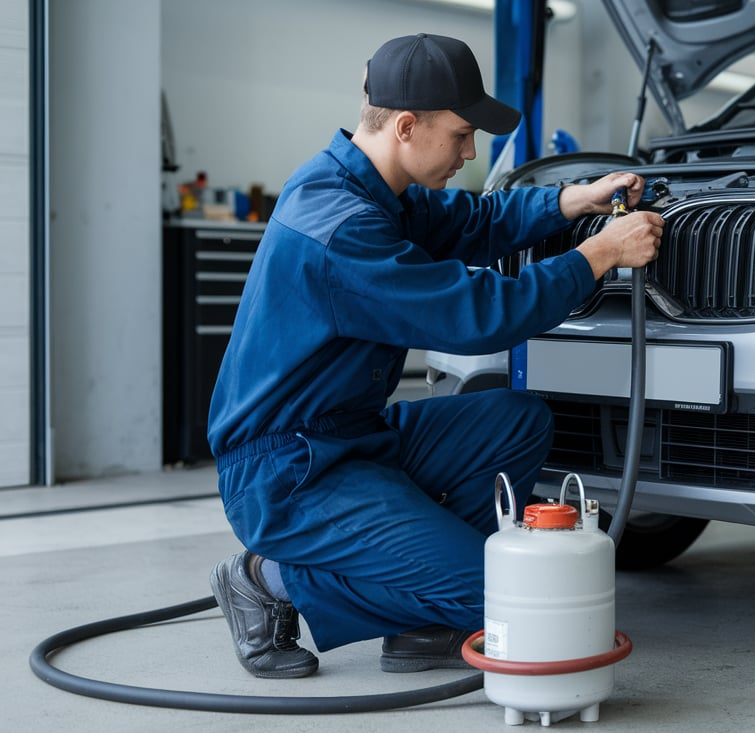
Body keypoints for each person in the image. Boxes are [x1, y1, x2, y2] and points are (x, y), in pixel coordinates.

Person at [206, 33, 663, 679]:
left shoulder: (372, 188)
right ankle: (268, 579)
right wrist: (600, 254)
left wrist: (576, 199)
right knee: (502, 599)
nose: (470, 151)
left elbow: (473, 222)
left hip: (351, 437)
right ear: (407, 126)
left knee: (513, 418)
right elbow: (477, 315)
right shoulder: (343, 225)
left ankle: (424, 614)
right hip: (290, 470)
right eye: (460, 135)